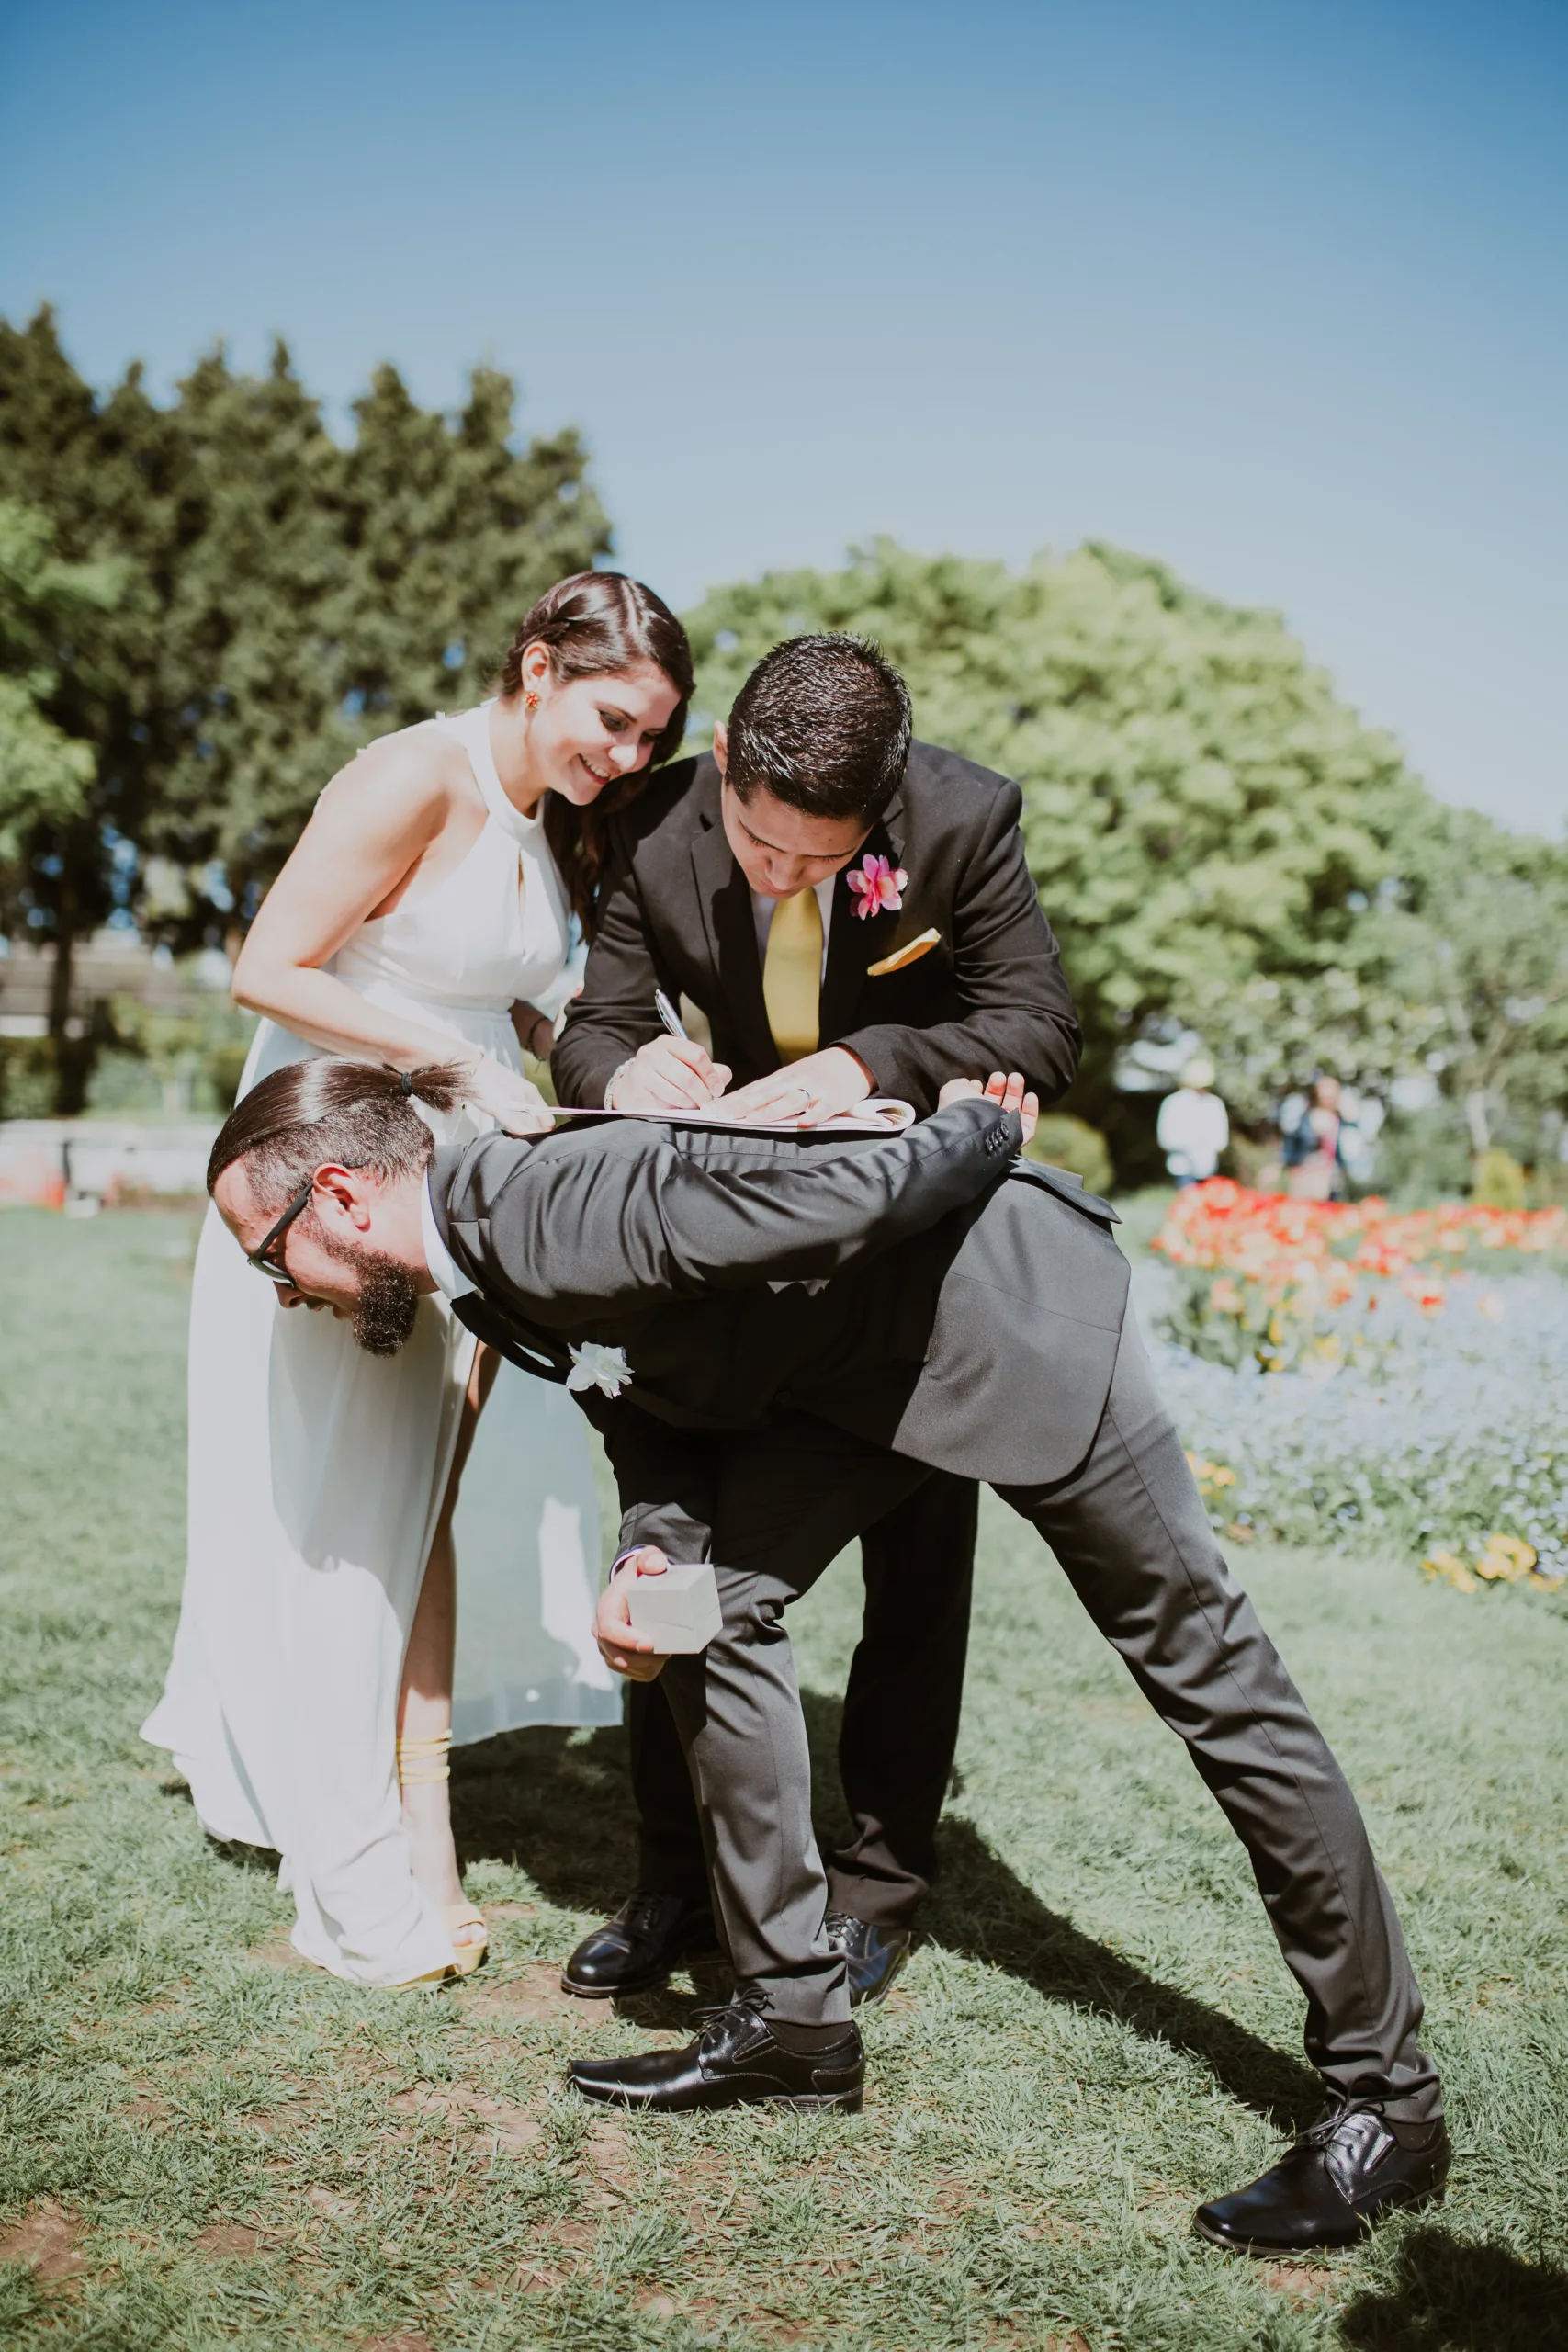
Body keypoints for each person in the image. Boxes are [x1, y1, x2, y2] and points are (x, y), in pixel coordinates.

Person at [204, 1058, 1450, 2256]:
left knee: (1217, 1689)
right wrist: (650, 1556)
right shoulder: (480, 1259)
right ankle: (794, 2019)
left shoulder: (547, 1208)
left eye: (272, 1256)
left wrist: (980, 1132)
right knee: (698, 1609)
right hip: (855, 1378)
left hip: (1008, 1311)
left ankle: (1385, 2106)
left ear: (345, 1197)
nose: (280, 1290)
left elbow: (833, 1199)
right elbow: (640, 1399)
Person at [141, 572, 694, 1988]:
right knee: (350, 1521)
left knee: (423, 1508)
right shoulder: (408, 776)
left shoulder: (542, 825)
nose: (624, 759)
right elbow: (269, 966)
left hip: (458, 1194)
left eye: (649, 737)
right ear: (535, 667)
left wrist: (625, 1055)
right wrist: (448, 1068)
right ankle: (356, 1873)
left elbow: (508, 994)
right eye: (610, 720)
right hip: (338, 1179)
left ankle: (420, 1830)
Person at [551, 632, 1080, 2006]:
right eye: (757, 845)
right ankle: (673, 1876)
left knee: (916, 1578)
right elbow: (588, 1028)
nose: (780, 877)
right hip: (715, 1258)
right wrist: (628, 1071)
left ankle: (882, 1879)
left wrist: (873, 1058)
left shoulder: (966, 819)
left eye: (818, 860)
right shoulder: (651, 822)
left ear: (886, 804)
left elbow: (1036, 1026)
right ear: (722, 761)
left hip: (906, 1268)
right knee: (677, 1560)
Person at [1156, 1056, 1229, 1186]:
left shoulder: (1214, 1103)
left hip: (1208, 1167)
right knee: (1188, 1203)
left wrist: (1208, 1147)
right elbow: (1166, 1138)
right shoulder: (1173, 1103)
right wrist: (1190, 1146)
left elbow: (1220, 1137)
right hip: (1182, 1166)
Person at [1281, 1074, 1356, 1202]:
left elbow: (1348, 1149)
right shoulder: (1305, 1118)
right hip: (1305, 1174)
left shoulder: (1342, 1121)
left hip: (1330, 1178)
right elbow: (1294, 1144)